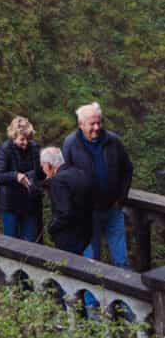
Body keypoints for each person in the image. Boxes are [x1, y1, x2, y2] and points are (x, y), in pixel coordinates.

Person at [61, 101, 133, 268]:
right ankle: (91, 295)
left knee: (121, 260)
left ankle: (124, 293)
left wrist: (121, 199)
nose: (96, 127)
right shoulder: (71, 144)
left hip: (112, 210)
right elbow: (63, 177)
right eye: (91, 123)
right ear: (80, 124)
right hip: (86, 213)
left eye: (99, 122)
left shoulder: (113, 141)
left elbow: (127, 169)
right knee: (91, 261)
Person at [0, 115, 42, 241]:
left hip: (30, 202)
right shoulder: (5, 149)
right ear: (14, 136)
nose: (26, 143)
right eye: (22, 139)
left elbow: (40, 172)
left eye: (28, 138)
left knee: (30, 243)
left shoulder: (35, 148)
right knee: (12, 242)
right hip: (10, 203)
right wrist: (15, 176)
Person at [40, 146, 93, 255]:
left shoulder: (58, 181)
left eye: (42, 166)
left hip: (68, 235)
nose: (42, 169)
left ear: (49, 165)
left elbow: (65, 212)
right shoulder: (79, 173)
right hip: (85, 231)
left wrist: (52, 227)